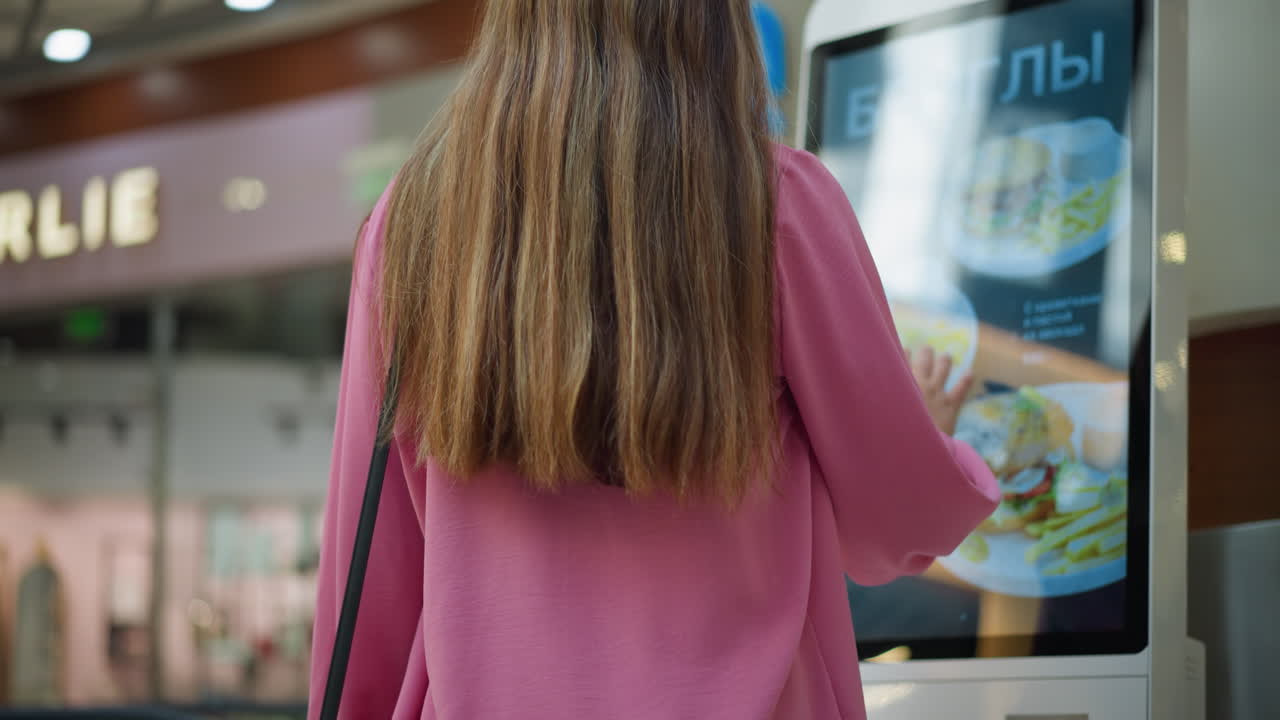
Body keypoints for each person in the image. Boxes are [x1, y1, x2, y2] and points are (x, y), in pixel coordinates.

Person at [308, 2, 999, 718]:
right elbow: (899, 523)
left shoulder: (410, 222)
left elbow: (369, 576)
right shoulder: (776, 203)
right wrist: (938, 440)